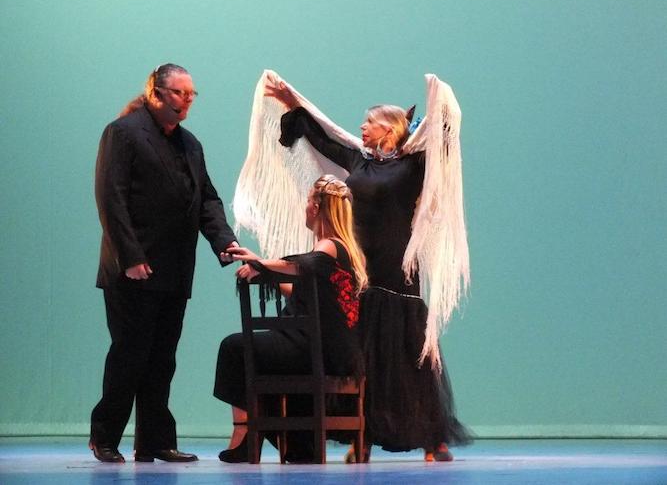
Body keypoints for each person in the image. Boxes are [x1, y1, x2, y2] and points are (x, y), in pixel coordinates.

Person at [262, 74, 471, 461]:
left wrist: (438, 100)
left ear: (388, 128)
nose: (361, 127)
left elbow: (443, 137)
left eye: (368, 122)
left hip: (396, 271)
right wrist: (294, 103)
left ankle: (433, 438)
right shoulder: (359, 159)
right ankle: (364, 438)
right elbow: (323, 138)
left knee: (407, 356)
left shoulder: (414, 165)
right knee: (366, 355)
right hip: (362, 268)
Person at [90, 63, 239, 463]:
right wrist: (131, 257)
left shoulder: (189, 143)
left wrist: (225, 242)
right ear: (156, 94)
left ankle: (154, 440)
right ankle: (105, 436)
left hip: (174, 269)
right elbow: (111, 199)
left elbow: (206, 198)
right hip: (133, 269)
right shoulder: (123, 133)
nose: (186, 101)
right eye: (179, 93)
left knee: (162, 359)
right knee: (130, 354)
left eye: (191, 94)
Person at [214, 175, 368, 463]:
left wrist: (261, 263)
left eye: (308, 200)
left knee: (235, 348)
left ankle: (245, 434)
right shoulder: (342, 247)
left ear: (316, 208)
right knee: (264, 359)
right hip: (327, 346)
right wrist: (262, 263)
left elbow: (304, 264)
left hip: (315, 346)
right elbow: (300, 288)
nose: (305, 206)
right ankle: (295, 444)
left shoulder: (330, 246)